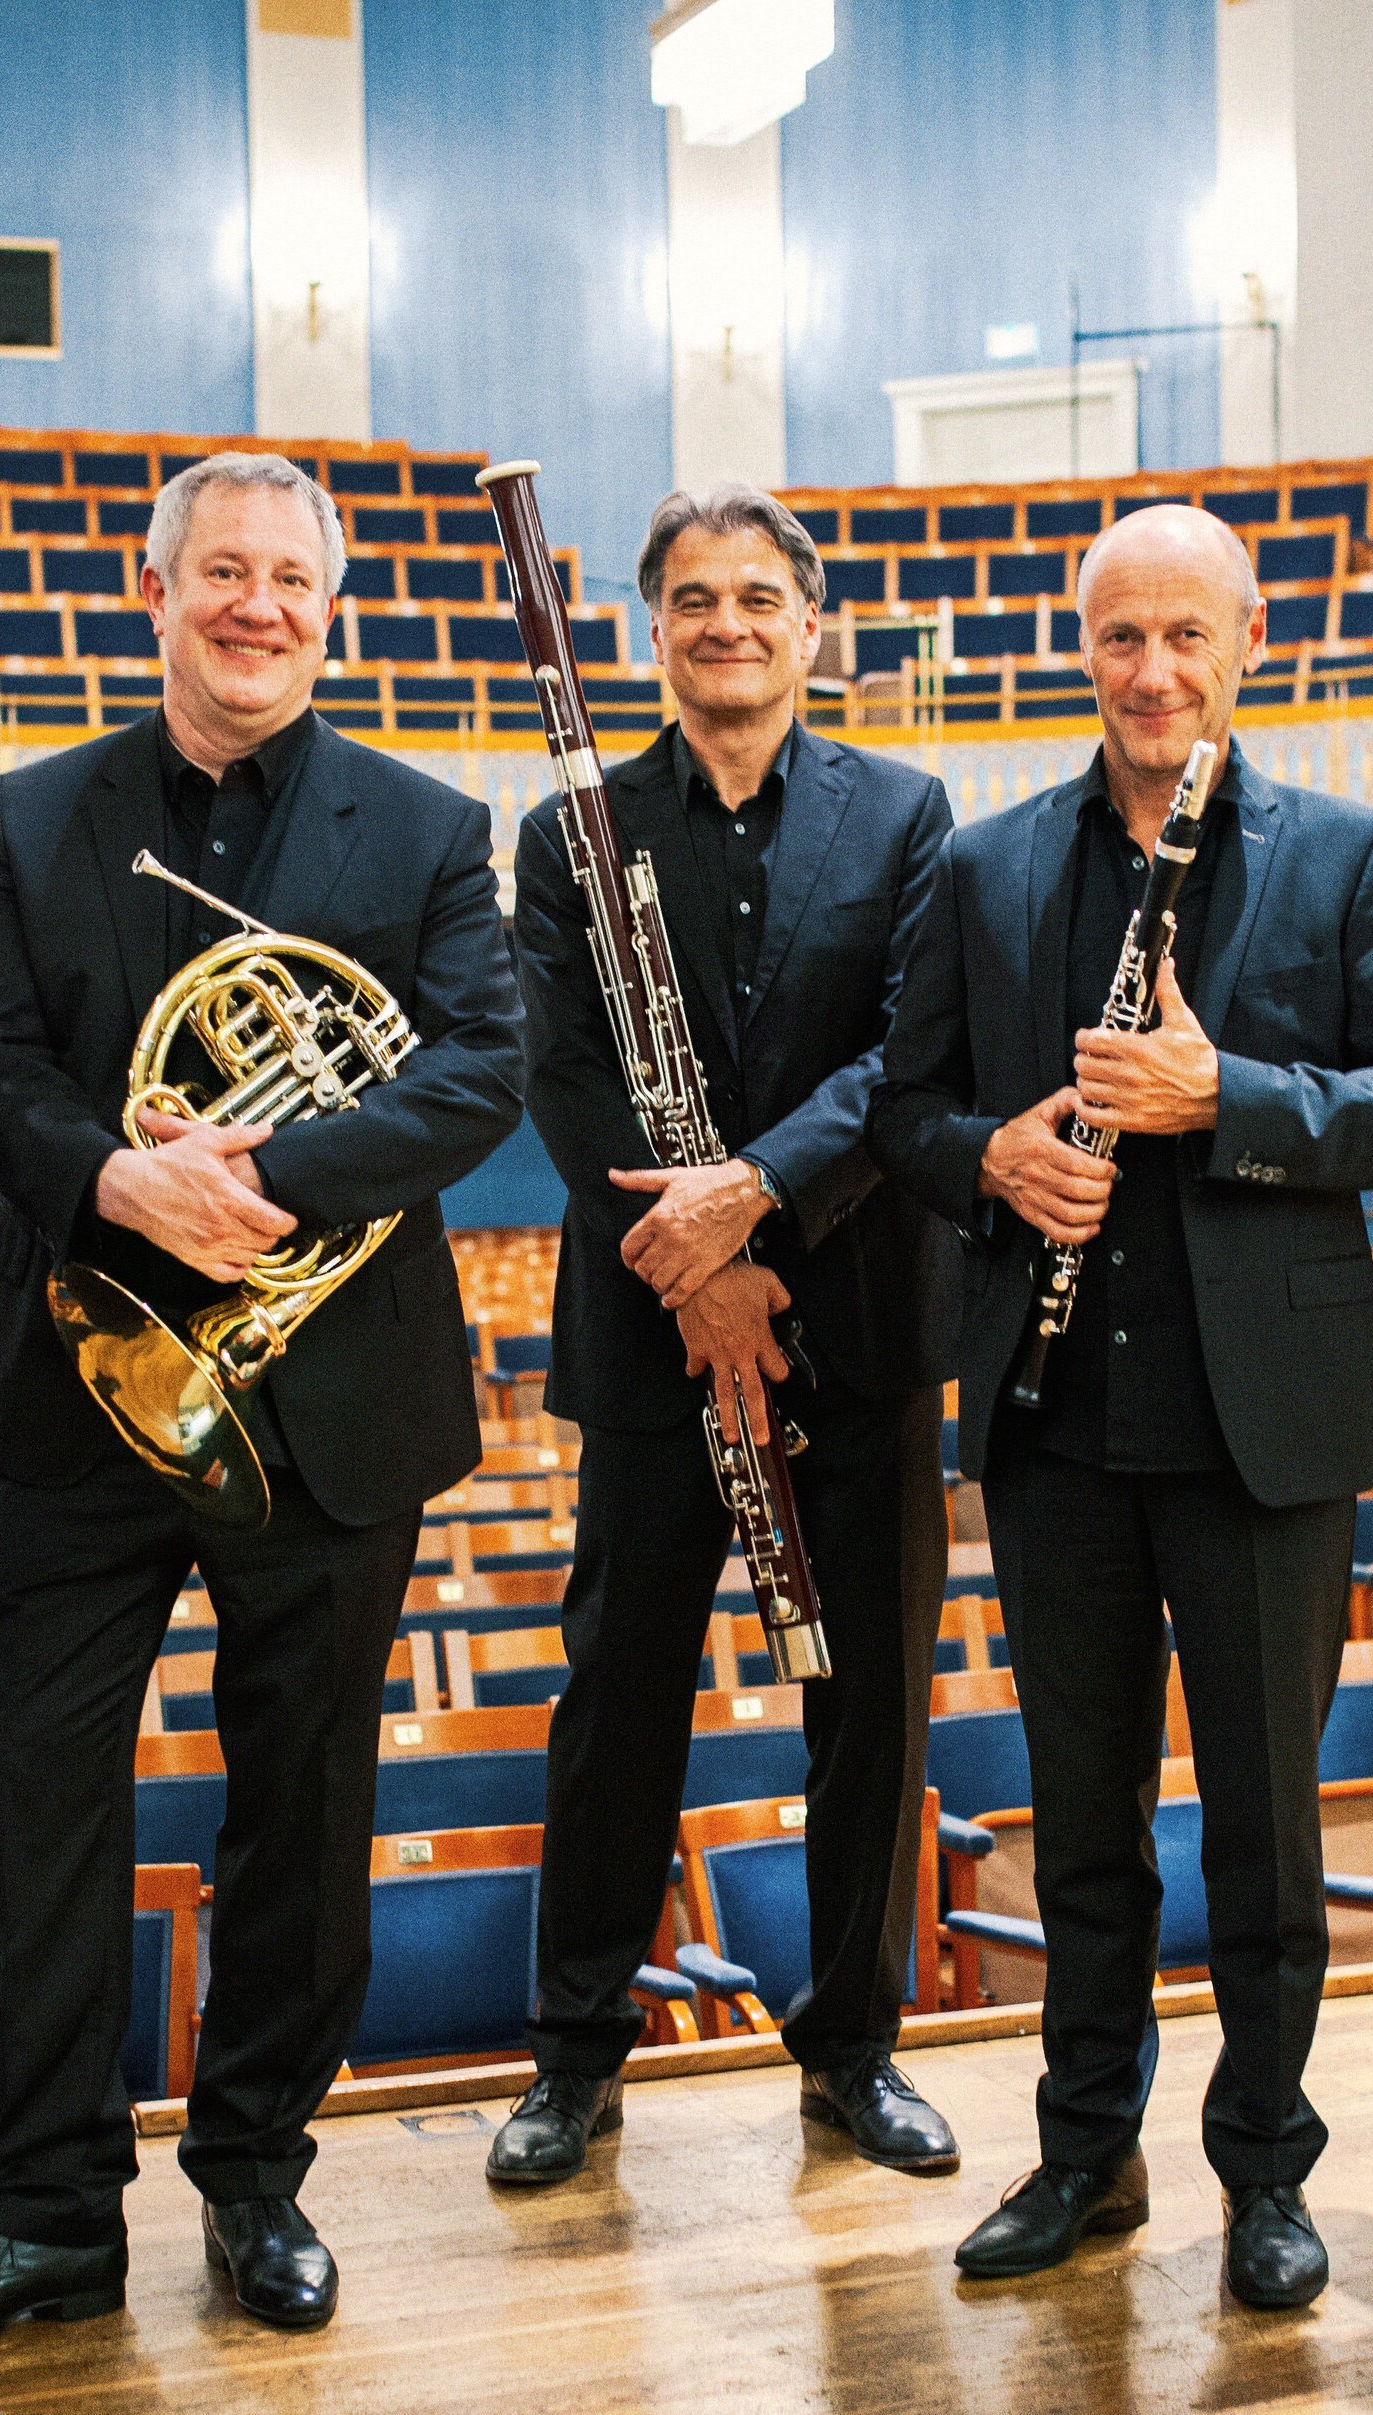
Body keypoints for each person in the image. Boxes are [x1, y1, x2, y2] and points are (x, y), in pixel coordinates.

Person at [0, 453, 524, 2354]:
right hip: (85, 1387)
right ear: (154, 594)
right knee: (49, 1807)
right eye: (218, 572)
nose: (255, 607)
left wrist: (269, 1176)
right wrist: (112, 1179)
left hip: (327, 1402)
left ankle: (255, 2179)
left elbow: (479, 1071)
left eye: (289, 580)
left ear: (334, 607)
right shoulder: (33, 814)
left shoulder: (424, 825)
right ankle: (51, 2210)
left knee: (301, 1815)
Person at [870, 505, 1373, 2307]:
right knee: (1083, 1824)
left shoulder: (1354, 857)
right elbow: (903, 1112)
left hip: (1264, 1429)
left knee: (1272, 1832)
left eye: (1187, 637)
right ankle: (1084, 2162)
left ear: (1245, 642)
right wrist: (990, 1159)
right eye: (1123, 637)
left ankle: (1267, 2176)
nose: (1154, 672)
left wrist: (1238, 1100)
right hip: (1057, 1423)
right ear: (1085, 648)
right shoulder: (985, 873)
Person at [483, 486, 962, 2190]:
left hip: (852, 1322)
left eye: (760, 597)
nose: (727, 624)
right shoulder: (572, 833)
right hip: (650, 1330)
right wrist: (694, 1270)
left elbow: (910, 1061)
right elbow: (564, 1075)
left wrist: (753, 1204)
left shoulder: (911, 817)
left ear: (812, 626)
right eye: (693, 599)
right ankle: (576, 2059)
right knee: (619, 1700)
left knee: (871, 1705)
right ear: (652, 630)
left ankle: (853, 2051)